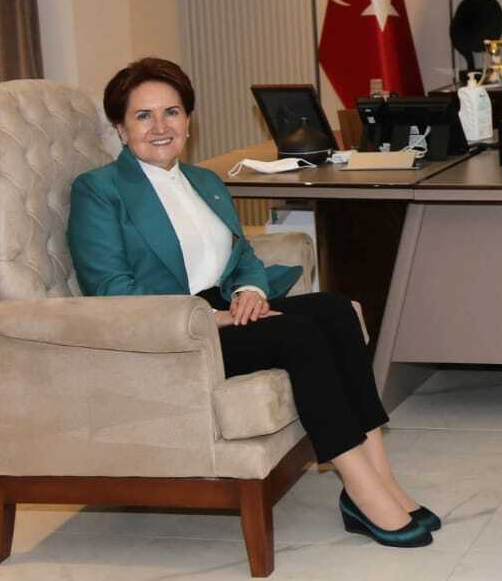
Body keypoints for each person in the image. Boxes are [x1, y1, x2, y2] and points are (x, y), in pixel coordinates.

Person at [67, 57, 439, 549]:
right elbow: (109, 289)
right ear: (120, 127)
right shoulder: (100, 190)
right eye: (143, 115)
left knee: (335, 311)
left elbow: (241, 254)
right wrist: (210, 316)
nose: (160, 127)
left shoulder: (203, 181)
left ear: (188, 120)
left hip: (225, 308)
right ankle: (360, 486)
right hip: (173, 329)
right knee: (299, 335)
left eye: (171, 112)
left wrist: (250, 292)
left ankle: (381, 478)